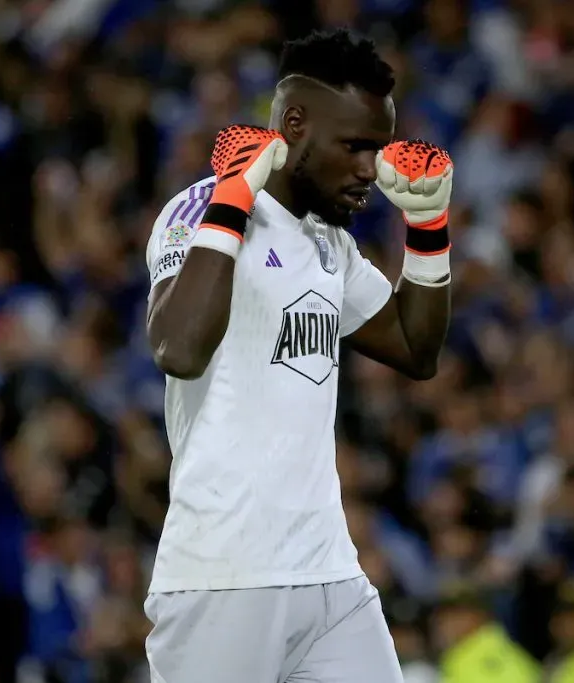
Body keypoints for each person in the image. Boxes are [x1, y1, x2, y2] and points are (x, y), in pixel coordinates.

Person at [143, 29, 454, 683]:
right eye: (355, 147)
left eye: (378, 147)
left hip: (329, 576)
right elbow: (178, 347)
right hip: (223, 581)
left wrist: (428, 234)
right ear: (292, 123)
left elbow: (412, 347)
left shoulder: (328, 244)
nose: (371, 169)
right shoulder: (202, 207)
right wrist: (232, 200)